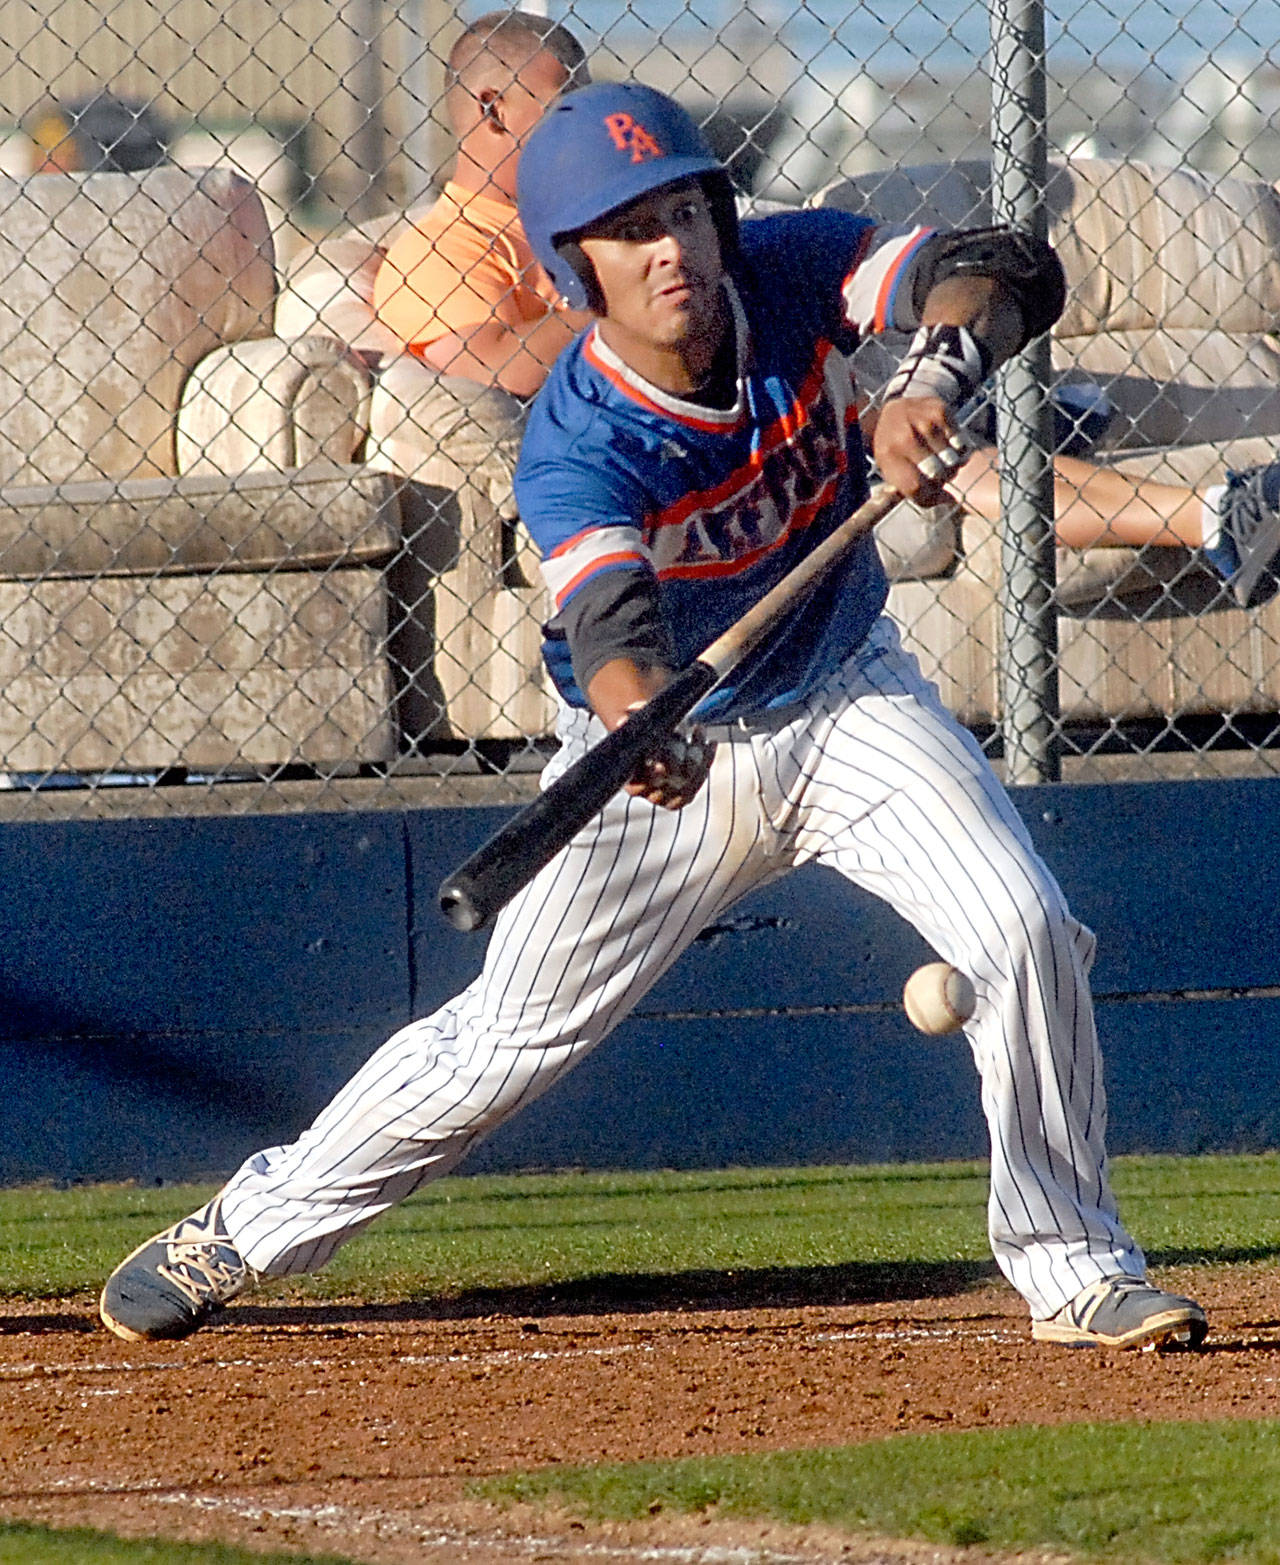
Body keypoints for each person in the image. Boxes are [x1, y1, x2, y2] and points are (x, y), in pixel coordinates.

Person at [99, 82, 1208, 1354]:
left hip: (847, 698)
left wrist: (929, 379)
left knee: (1021, 927)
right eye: (629, 229)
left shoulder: (786, 270)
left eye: (683, 208)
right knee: (502, 1043)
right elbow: (611, 629)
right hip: (655, 761)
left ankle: (1074, 1265)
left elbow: (1001, 268)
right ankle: (245, 1226)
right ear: (577, 267)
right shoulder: (578, 440)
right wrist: (642, 726)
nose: (670, 246)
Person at [371, 8, 592, 399]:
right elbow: (498, 372)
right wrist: (622, 304)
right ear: (494, 112)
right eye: (563, 107)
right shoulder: (440, 249)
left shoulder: (591, 216)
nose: (583, 126)